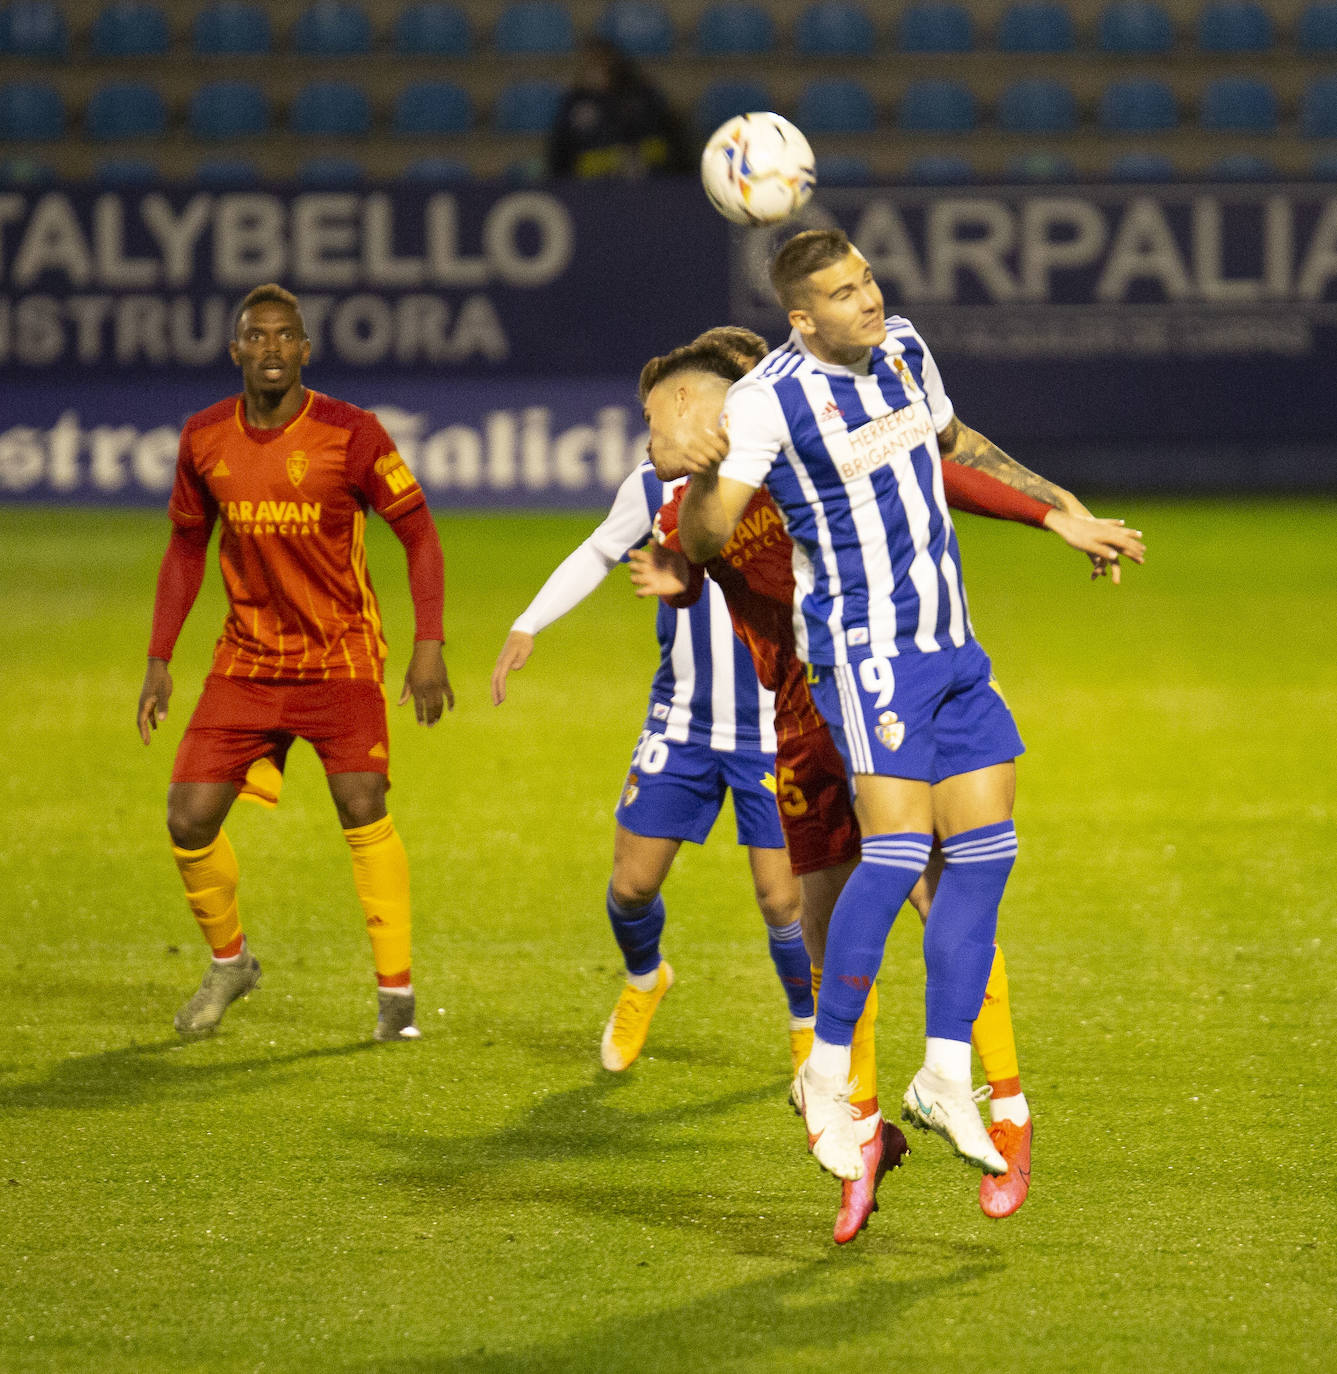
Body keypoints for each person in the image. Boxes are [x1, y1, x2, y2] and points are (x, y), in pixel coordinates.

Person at [632, 328, 1142, 1238]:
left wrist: (1050, 506)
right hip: (798, 722)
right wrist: (680, 583)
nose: (644, 438)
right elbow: (699, 547)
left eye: (654, 415)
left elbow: (933, 464)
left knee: (943, 893)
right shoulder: (681, 512)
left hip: (885, 687)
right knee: (820, 922)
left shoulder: (807, 443)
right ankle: (861, 1128)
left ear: (702, 407)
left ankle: (1006, 1103)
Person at [137, 283, 453, 1043]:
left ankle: (396, 997)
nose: (271, 347)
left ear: (305, 351)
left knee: (361, 800)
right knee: (187, 818)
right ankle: (230, 962)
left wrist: (428, 644)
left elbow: (419, 535)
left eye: (285, 336)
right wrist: (158, 658)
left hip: (339, 656)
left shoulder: (353, 433)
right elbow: (185, 547)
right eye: (257, 335)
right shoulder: (205, 436)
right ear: (236, 349)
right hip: (245, 662)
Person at [491, 445, 811, 1075]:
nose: (652, 436)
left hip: (773, 729)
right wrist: (529, 622)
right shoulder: (654, 486)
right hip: (681, 722)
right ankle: (644, 978)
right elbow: (600, 550)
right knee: (632, 886)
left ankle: (808, 1030)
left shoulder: (786, 476)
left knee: (782, 903)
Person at [547, 37, 692, 180]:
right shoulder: (574, 102)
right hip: (589, 187)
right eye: (587, 64)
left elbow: (668, 144)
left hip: (647, 182)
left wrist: (632, 157)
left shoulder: (642, 97)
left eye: (598, 63)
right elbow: (561, 155)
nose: (592, 71)